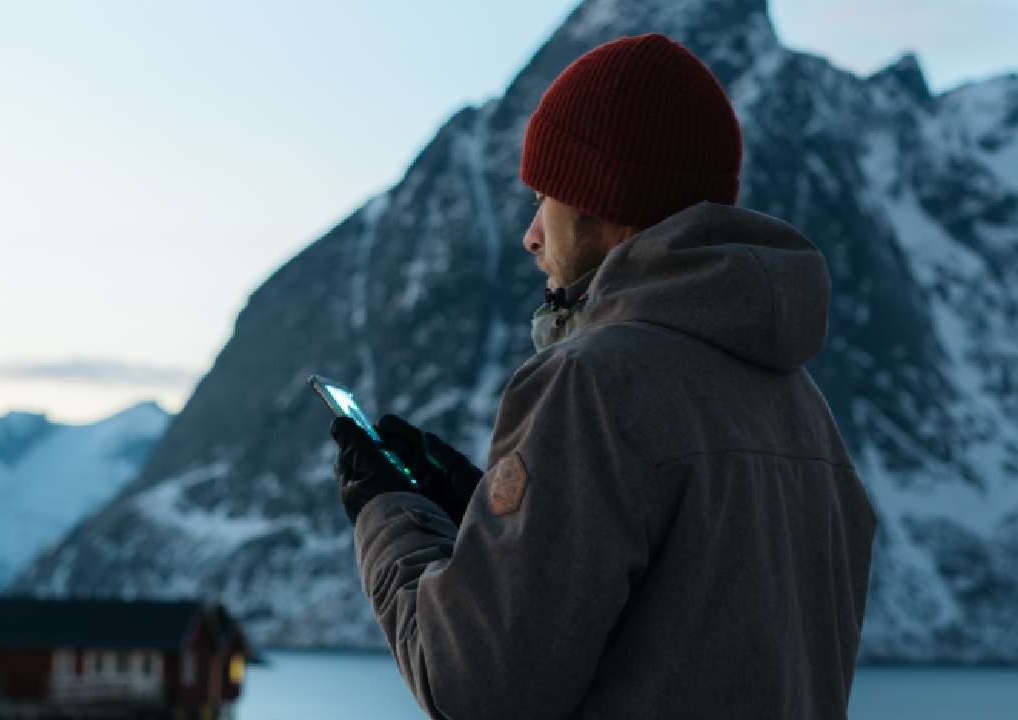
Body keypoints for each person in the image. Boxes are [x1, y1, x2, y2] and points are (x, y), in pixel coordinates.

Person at [330, 32, 878, 719]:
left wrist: (388, 514)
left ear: (600, 199)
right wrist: (484, 518)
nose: (531, 235)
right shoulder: (804, 411)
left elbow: (473, 687)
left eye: (545, 197)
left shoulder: (592, 383)